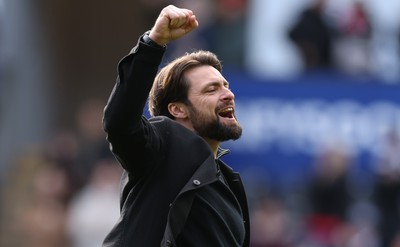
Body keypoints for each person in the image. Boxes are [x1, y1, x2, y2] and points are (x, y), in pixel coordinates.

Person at [102, 5, 250, 247]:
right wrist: (154, 42)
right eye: (211, 89)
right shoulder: (163, 144)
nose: (228, 94)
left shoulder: (228, 183)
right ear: (177, 109)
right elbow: (119, 123)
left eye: (226, 85)